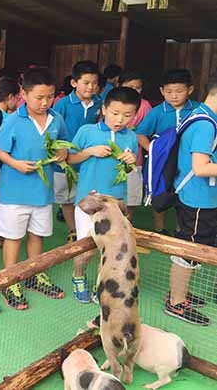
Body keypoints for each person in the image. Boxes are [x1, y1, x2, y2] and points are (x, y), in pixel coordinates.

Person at [0, 67, 68, 310]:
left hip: (42, 193)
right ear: (23, 94)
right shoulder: (13, 120)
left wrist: (62, 152)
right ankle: (10, 279)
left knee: (37, 235)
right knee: (13, 238)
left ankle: (35, 274)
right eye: (39, 97)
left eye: (50, 97)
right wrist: (15, 163)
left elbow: (63, 146)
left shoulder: (56, 119)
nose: (45, 102)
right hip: (14, 193)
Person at [68, 87, 140, 303]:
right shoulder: (87, 131)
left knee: (111, 249)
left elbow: (129, 170)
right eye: (115, 113)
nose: (120, 119)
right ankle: (78, 276)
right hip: (88, 201)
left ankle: (101, 284)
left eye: (127, 115)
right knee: (86, 247)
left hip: (117, 203)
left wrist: (131, 162)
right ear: (104, 109)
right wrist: (90, 152)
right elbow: (70, 160)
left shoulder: (131, 137)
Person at [163, 73, 217, 327]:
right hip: (198, 198)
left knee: (193, 247)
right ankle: (176, 302)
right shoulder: (206, 124)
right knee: (190, 249)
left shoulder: (200, 115)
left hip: (198, 196)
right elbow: (201, 167)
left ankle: (180, 293)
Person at [136, 68, 198, 234]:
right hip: (162, 162)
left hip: (188, 161)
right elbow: (140, 134)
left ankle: (181, 230)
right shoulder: (157, 112)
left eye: (179, 91)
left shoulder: (197, 110)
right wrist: (154, 151)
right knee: (160, 193)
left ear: (190, 89)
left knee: (183, 194)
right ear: (162, 91)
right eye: (169, 91)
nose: (174, 96)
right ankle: (159, 229)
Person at [51, 60, 101, 246]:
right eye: (86, 83)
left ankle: (87, 228)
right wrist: (60, 148)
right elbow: (52, 129)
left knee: (89, 195)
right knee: (67, 197)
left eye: (95, 83)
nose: (91, 87)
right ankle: (73, 230)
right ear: (74, 83)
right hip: (65, 160)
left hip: (91, 160)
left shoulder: (101, 104)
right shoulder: (62, 104)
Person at [118, 71, 152, 218]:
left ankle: (127, 221)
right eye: (130, 86)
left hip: (135, 158)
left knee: (132, 195)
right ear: (120, 86)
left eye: (138, 87)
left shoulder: (145, 105)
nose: (134, 90)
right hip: (113, 156)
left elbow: (147, 130)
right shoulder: (111, 101)